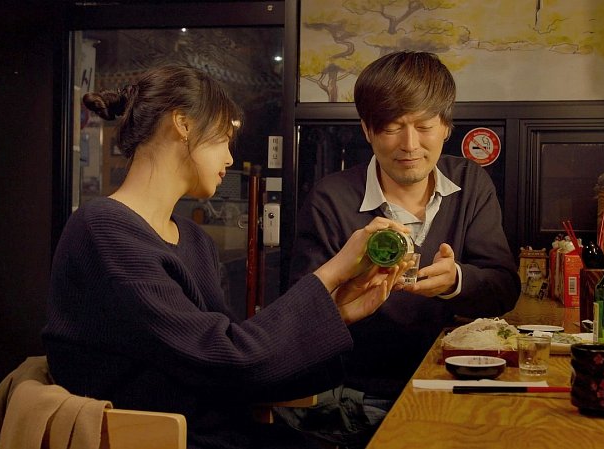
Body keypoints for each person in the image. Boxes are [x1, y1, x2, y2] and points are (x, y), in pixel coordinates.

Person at [42, 65, 411, 449]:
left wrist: (339, 311)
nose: (230, 158)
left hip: (223, 429)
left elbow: (240, 361)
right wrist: (333, 271)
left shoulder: (194, 240)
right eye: (224, 139)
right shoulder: (103, 228)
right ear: (183, 123)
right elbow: (227, 360)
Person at [278, 51, 521, 448]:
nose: (409, 145)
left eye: (424, 126)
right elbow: (299, 316)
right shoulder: (331, 199)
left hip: (450, 383)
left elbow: (504, 288)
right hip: (356, 398)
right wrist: (351, 286)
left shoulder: (470, 184)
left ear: (446, 126)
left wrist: (456, 281)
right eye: (392, 128)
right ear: (367, 130)